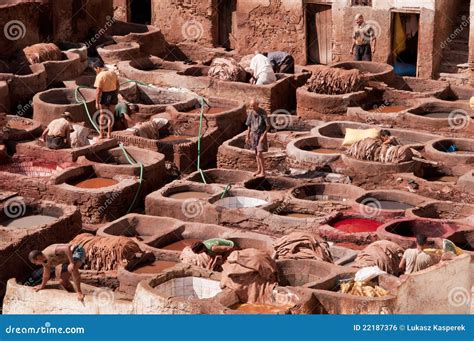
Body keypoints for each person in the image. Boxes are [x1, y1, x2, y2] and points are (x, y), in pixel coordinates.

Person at [93, 59, 120, 139]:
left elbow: (98, 91)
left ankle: (101, 134)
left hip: (104, 95)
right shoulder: (113, 73)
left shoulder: (100, 76)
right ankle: (109, 134)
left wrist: (97, 102)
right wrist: (116, 94)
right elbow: (118, 85)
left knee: (102, 115)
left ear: (98, 68)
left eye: (95, 69)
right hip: (113, 94)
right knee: (110, 115)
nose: (95, 71)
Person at [245, 99, 269, 177]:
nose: (252, 107)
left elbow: (267, 126)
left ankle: (263, 172)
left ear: (257, 104)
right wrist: (247, 135)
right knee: (256, 153)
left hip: (261, 134)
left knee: (259, 153)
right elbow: (249, 125)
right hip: (254, 135)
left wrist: (263, 136)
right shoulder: (251, 113)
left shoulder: (263, 112)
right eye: (251, 106)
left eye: (254, 106)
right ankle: (259, 170)